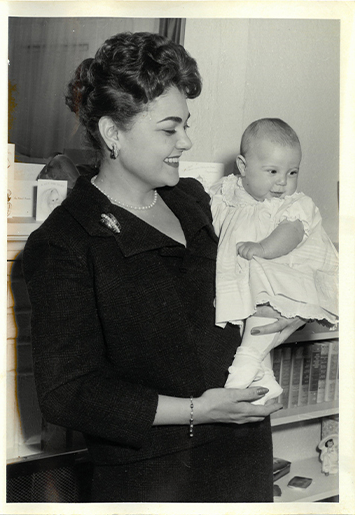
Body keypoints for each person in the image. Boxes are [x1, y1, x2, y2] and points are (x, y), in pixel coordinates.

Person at [22, 33, 304, 503]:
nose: (186, 141)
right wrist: (199, 410)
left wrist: (283, 316)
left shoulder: (193, 199)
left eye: (185, 125)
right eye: (169, 129)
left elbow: (237, 294)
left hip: (245, 449)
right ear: (113, 134)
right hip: (156, 476)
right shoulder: (63, 242)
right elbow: (67, 392)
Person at [210, 118, 339, 405]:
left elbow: (290, 233)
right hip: (241, 277)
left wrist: (262, 247)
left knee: (264, 312)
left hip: (281, 272)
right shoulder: (226, 192)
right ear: (243, 167)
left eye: (292, 172)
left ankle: (244, 365)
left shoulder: (292, 204)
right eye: (272, 171)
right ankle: (264, 378)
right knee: (246, 320)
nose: (283, 181)